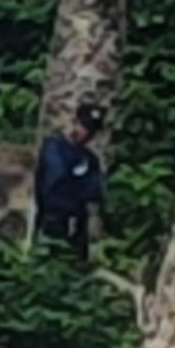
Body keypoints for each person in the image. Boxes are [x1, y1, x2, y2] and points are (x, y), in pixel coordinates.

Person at [34, 103, 109, 270]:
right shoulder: (54, 147)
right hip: (53, 219)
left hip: (78, 223)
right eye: (83, 126)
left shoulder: (90, 159)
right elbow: (54, 183)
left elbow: (95, 191)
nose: (85, 134)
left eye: (91, 131)